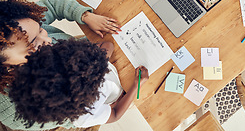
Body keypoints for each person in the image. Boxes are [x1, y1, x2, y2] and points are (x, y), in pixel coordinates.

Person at [0, 0, 121, 130]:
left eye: (40, 28)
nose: (49, 40)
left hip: (89, 56)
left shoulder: (21, 26)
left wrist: (85, 16)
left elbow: (51, 5)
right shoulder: (17, 109)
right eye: (34, 43)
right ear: (6, 67)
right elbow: (75, 117)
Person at [8, 38, 149, 128]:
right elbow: (116, 114)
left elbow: (108, 45)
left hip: (110, 69)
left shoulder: (75, 60)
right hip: (118, 95)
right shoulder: (83, 117)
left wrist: (99, 59)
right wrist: (136, 86)